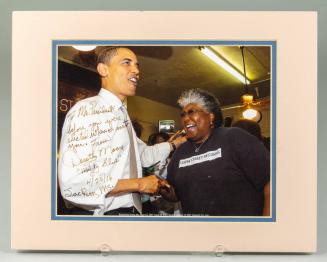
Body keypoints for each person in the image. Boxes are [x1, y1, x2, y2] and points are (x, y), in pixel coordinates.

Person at [58, 47, 185, 216]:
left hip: (129, 214)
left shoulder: (121, 116)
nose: (136, 70)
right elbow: (72, 185)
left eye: (137, 65)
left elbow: (143, 155)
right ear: (103, 69)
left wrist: (176, 143)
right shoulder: (86, 110)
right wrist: (139, 184)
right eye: (127, 63)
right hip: (105, 218)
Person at [161, 88, 270, 216]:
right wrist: (163, 189)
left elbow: (270, 182)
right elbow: (177, 194)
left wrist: (268, 225)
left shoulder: (234, 138)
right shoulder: (180, 153)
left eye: (191, 112)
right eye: (183, 114)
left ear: (211, 116)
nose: (186, 118)